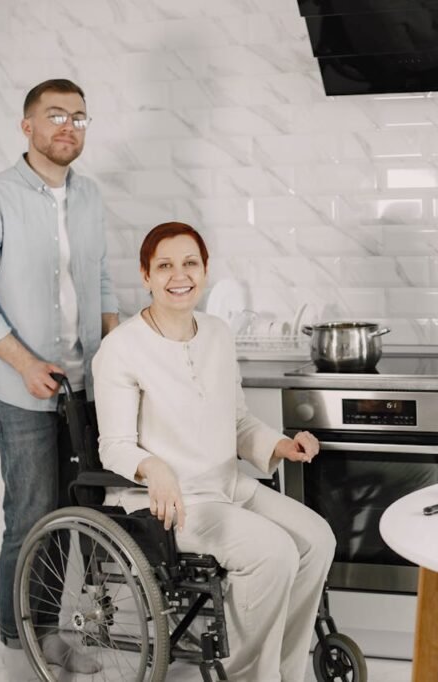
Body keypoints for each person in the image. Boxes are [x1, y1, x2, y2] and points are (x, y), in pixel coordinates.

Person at [92, 221, 336, 682]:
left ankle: (284, 671)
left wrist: (282, 445)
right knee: (273, 553)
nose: (178, 275)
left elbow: (239, 421)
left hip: (226, 485)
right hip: (168, 502)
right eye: (164, 265)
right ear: (145, 275)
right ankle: (243, 675)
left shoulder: (218, 334)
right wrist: (154, 467)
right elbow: (115, 446)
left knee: (317, 538)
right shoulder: (120, 349)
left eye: (190, 263)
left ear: (205, 271)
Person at [0, 78, 119, 673]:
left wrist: (117, 361)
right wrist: (24, 364)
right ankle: (21, 640)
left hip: (84, 387)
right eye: (55, 115)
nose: (68, 126)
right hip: (17, 387)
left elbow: (100, 282)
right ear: (28, 127)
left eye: (79, 116)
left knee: (81, 515)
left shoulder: (92, 196)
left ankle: (57, 629)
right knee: (31, 517)